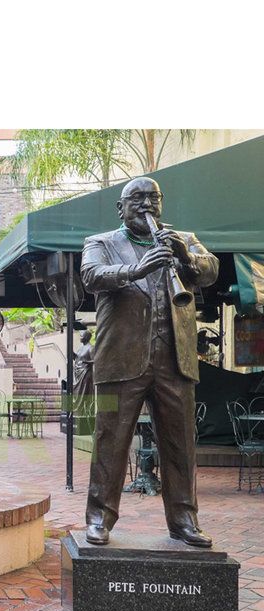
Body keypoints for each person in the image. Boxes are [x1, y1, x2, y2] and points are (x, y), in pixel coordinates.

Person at [81, 177, 218, 548]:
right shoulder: (102, 242)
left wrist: (185, 257)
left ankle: (184, 520)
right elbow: (91, 276)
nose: (146, 205)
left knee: (180, 445)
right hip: (120, 359)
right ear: (120, 208)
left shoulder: (183, 239)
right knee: (111, 442)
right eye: (137, 198)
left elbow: (211, 270)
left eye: (153, 198)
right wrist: (136, 269)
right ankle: (99, 518)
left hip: (175, 360)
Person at [72, 329, 95, 418]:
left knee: (85, 393)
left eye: (82, 336)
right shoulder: (80, 348)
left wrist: (86, 362)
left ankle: (85, 413)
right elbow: (78, 359)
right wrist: (72, 354)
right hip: (78, 374)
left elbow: (95, 360)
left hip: (86, 374)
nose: (80, 337)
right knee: (77, 394)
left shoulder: (91, 348)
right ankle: (77, 412)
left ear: (86, 337)